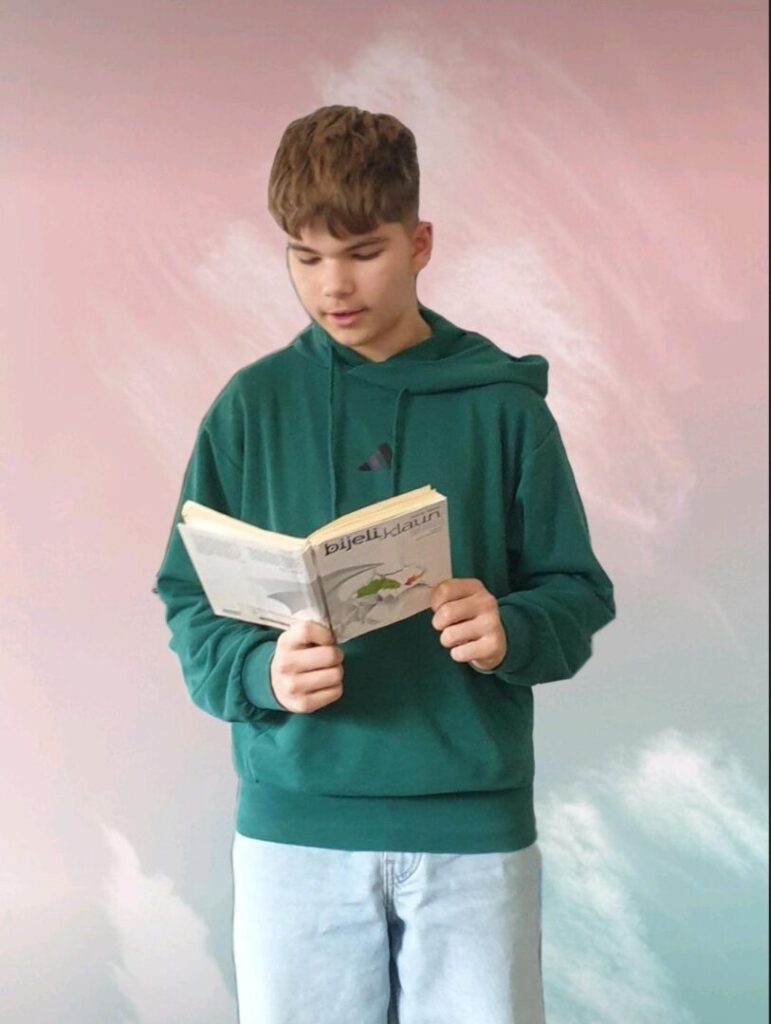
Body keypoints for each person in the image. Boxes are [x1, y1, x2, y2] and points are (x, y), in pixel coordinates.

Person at [152, 104, 616, 1024]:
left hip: (471, 830)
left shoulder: (505, 410)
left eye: (363, 251)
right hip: (295, 828)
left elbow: (576, 591)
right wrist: (258, 671)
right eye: (305, 256)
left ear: (419, 242)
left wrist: (511, 628)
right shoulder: (249, 408)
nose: (333, 285)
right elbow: (187, 598)